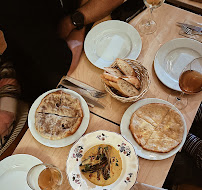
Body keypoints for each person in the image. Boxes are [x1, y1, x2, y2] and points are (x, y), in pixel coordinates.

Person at [0, 0, 124, 149]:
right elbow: (64, 64)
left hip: (63, 51)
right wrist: (78, 23)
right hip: (46, 76)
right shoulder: (17, 8)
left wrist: (74, 20)